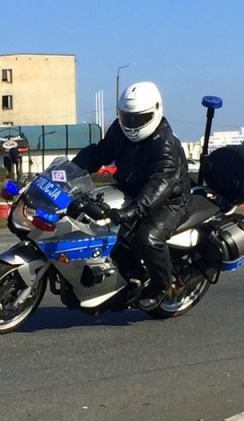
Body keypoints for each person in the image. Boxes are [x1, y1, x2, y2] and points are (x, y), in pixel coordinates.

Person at [72, 81, 192, 310]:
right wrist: (71, 171)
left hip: (170, 201)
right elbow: (100, 153)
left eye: (139, 118)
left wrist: (133, 211)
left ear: (156, 110)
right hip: (131, 190)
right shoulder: (119, 130)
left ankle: (161, 286)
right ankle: (127, 274)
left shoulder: (165, 145)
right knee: (94, 222)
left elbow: (160, 183)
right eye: (128, 118)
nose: (133, 124)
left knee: (147, 237)